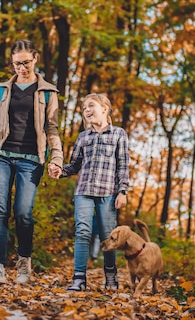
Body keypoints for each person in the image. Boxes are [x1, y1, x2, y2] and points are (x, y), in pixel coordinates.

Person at [0, 39, 64, 285]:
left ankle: (23, 262)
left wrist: (57, 158)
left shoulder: (48, 92)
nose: (21, 68)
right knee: (0, 210)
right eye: (16, 64)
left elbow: (52, 128)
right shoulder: (2, 89)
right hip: (2, 156)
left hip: (31, 160)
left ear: (35, 59)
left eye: (25, 63)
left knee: (23, 214)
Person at [48, 93, 130, 292]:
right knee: (82, 232)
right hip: (83, 191)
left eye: (91, 106)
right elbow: (75, 165)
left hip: (108, 193)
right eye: (84, 107)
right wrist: (61, 170)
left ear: (104, 108)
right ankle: (79, 279)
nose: (86, 110)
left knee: (107, 237)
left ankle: (111, 276)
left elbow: (123, 165)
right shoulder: (84, 136)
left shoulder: (118, 134)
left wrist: (123, 191)